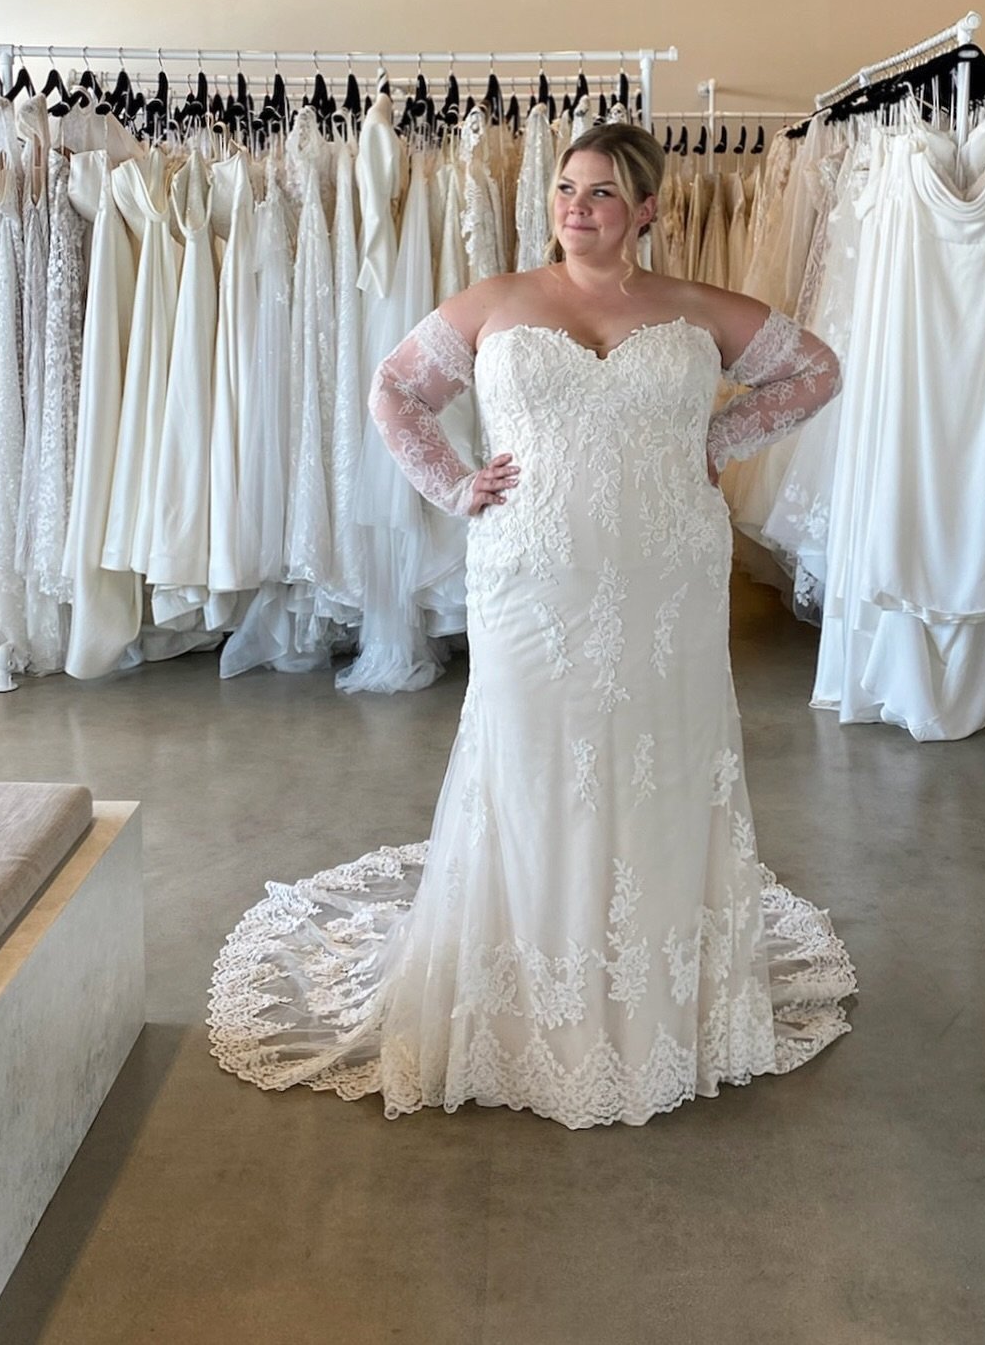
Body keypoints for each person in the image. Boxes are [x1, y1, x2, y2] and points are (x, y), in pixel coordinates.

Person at [210, 122, 856, 1128]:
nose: (577, 208)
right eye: (565, 188)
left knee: (658, 757)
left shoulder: (693, 306)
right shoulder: (499, 300)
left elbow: (816, 368)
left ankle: (650, 990)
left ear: (647, 208)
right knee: (531, 760)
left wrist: (717, 437)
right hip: (531, 577)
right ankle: (525, 985)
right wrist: (454, 482)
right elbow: (394, 390)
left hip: (666, 579)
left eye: (602, 193)